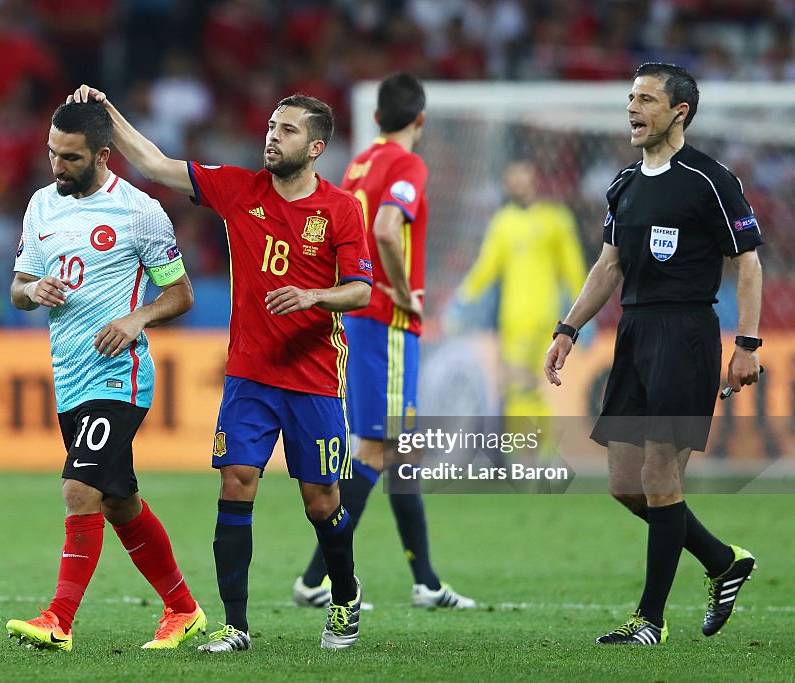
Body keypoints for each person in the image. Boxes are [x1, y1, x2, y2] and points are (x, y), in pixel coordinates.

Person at [68, 84, 373, 652]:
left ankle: (344, 594)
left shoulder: (340, 209)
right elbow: (156, 164)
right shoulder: (239, 189)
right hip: (250, 376)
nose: (272, 137)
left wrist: (313, 297)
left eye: (287, 130)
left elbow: (359, 291)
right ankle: (236, 626)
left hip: (314, 379)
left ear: (315, 147)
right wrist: (108, 113)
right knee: (236, 484)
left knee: (320, 501)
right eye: (271, 127)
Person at [544, 63, 762, 645]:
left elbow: (748, 262)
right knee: (624, 483)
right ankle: (723, 560)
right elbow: (609, 265)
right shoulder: (623, 184)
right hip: (635, 335)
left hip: (686, 334)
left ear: (678, 112)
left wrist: (746, 344)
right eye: (630, 99)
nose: (633, 109)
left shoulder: (711, 180)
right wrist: (567, 327)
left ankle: (650, 620)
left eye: (646, 99)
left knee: (662, 479)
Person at [4, 99, 205, 652]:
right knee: (119, 502)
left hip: (120, 375)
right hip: (68, 377)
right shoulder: (41, 205)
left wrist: (137, 317)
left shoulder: (140, 212)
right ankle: (184, 609)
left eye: (70, 158)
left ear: (102, 154)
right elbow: (19, 288)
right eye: (51, 153)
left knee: (79, 488)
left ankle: (58, 619)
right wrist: (32, 292)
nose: (56, 166)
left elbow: (181, 294)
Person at [292, 73, 476, 611]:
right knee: (378, 448)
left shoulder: (359, 163)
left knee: (401, 451)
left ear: (375, 118)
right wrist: (401, 289)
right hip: (387, 319)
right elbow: (390, 229)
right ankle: (317, 578)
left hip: (359, 317)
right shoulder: (408, 164)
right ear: (420, 119)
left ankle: (424, 582)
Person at [458, 159, 587, 418]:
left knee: (547, 386)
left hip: (550, 319)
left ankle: (544, 453)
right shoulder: (503, 222)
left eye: (523, 177)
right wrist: (463, 299)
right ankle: (519, 452)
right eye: (512, 179)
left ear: (534, 179)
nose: (518, 183)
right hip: (515, 318)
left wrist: (584, 313)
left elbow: (573, 268)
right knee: (517, 386)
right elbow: (486, 267)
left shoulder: (556, 219)